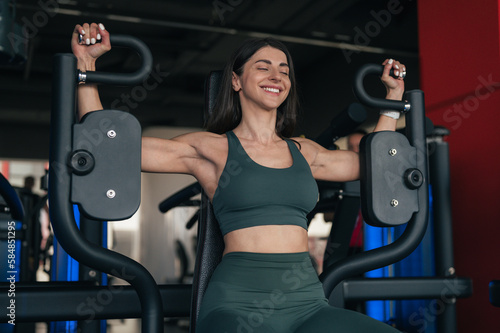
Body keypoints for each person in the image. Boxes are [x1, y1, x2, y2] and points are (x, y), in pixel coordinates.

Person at [72, 22, 406, 332]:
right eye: (263, 67)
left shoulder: (306, 152)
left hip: (306, 304)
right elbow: (112, 149)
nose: (276, 76)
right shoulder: (211, 149)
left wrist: (391, 100)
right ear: (236, 80)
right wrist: (86, 69)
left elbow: (379, 163)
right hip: (238, 305)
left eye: (284, 71)